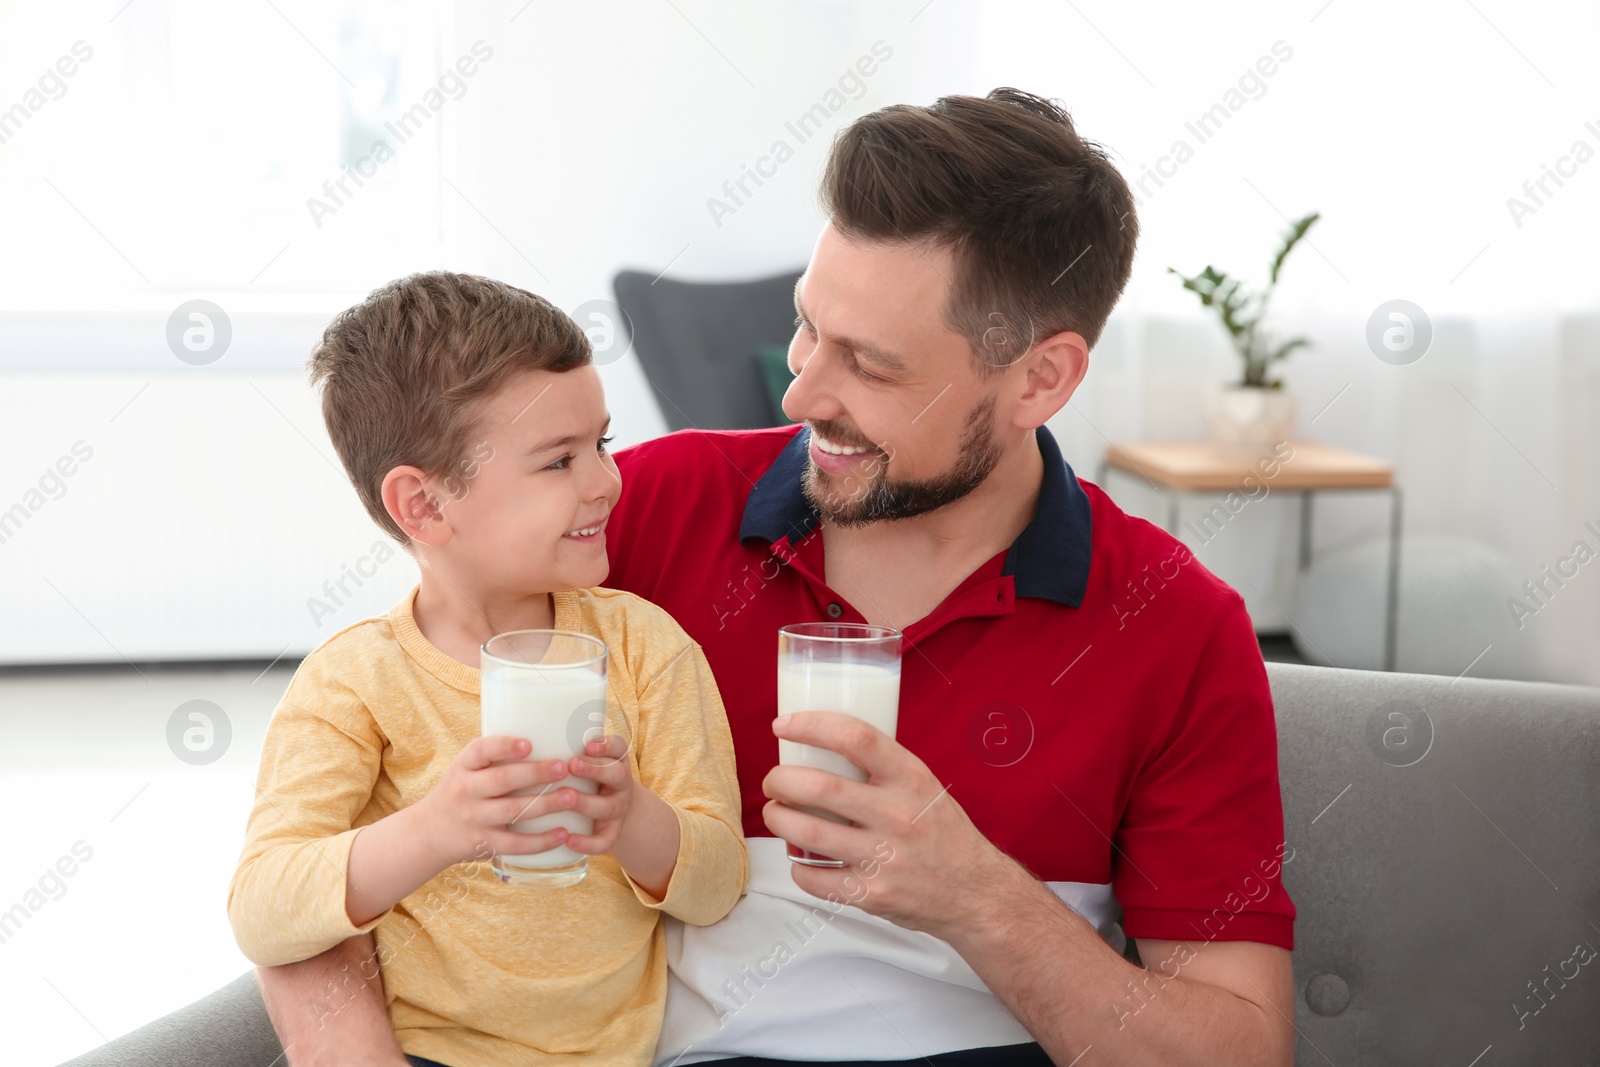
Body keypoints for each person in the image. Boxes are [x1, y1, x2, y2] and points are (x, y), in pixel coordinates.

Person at [260, 88, 1296, 1067]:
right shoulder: (643, 515)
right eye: (807, 325)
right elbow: (327, 842)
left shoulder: (1174, 626)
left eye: (871, 364)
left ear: (1041, 377)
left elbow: (1240, 1047)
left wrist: (977, 894)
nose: (801, 387)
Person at [228, 271, 747, 1067]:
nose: (606, 480)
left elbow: (717, 887)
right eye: (557, 461)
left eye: (599, 443)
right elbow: (264, 910)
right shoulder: (354, 682)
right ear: (424, 507)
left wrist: (632, 820)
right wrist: (436, 830)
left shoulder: (646, 647)